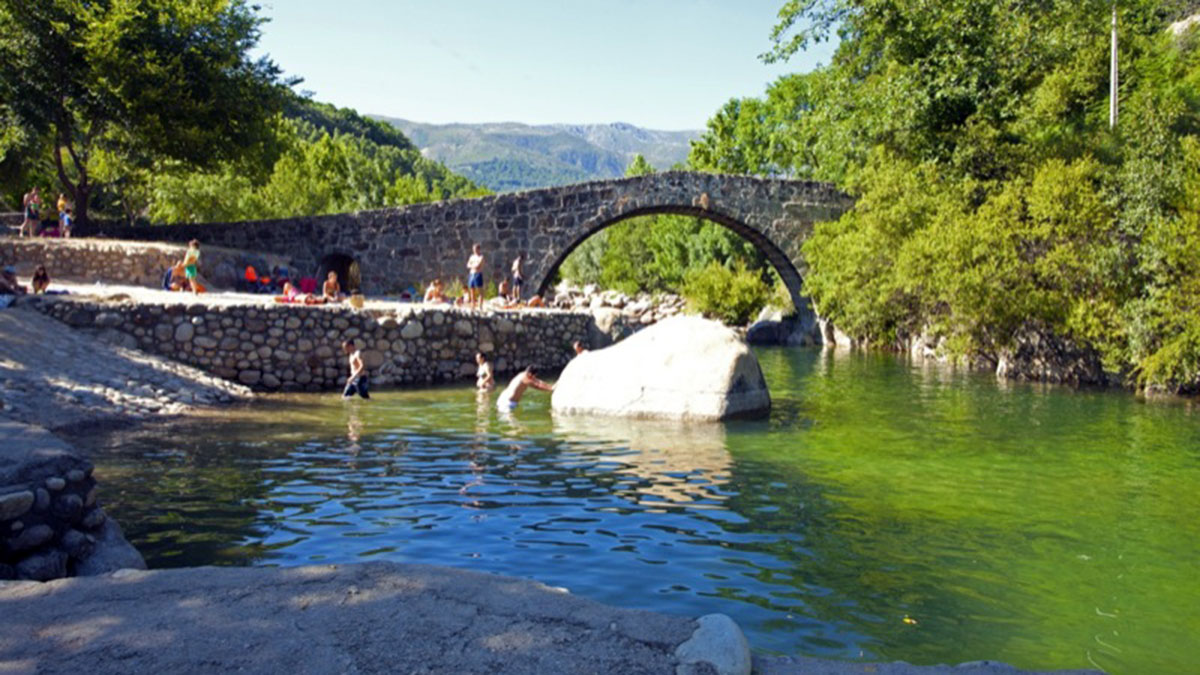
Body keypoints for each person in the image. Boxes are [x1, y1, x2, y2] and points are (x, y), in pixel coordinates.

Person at [466, 243, 485, 311]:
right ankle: (473, 305)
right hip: (471, 274)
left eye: (475, 249)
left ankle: (480, 306)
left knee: (480, 291)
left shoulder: (481, 257)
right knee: (472, 290)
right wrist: (473, 265)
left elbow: (478, 266)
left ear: (478, 249)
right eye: (473, 249)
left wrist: (473, 265)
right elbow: (468, 265)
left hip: (478, 274)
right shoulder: (472, 257)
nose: (474, 251)